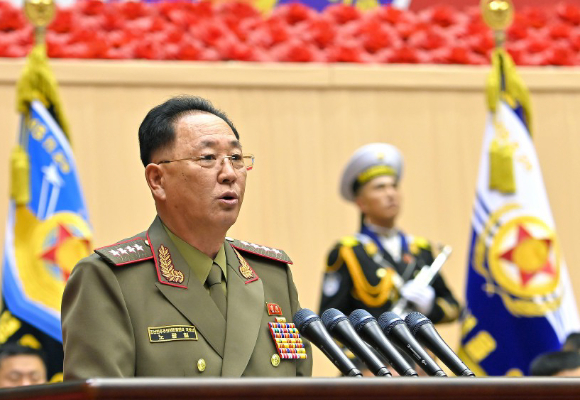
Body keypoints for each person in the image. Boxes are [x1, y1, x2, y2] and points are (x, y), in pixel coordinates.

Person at [62, 96, 312, 378]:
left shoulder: (272, 276)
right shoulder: (109, 280)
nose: (229, 174)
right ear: (157, 180)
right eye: (208, 158)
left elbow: (301, 387)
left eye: (236, 158)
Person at [318, 143, 460, 323]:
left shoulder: (420, 249)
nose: (391, 194)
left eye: (394, 186)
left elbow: (455, 308)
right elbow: (328, 319)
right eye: (380, 187)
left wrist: (430, 308)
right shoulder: (348, 253)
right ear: (361, 203)